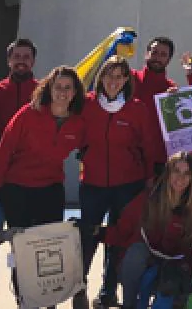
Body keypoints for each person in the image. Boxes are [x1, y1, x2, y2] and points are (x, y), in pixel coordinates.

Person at [0, 66, 87, 300]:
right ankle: (23, 298)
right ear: (49, 89)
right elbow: (5, 148)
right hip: (17, 188)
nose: (62, 92)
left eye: (67, 88)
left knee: (50, 248)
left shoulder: (78, 123)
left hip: (50, 189)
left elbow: (88, 147)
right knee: (22, 248)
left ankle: (48, 300)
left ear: (75, 93)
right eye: (58, 87)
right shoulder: (28, 114)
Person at [77, 55, 159, 309]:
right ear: (101, 77)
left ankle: (108, 291)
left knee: (117, 238)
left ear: (126, 80)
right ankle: (79, 288)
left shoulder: (137, 109)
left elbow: (148, 146)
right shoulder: (86, 105)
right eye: (109, 75)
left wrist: (149, 178)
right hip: (93, 182)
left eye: (119, 76)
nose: (113, 81)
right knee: (87, 238)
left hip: (128, 184)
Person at [0, 38, 40, 308]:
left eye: (26, 56)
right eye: (17, 56)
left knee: (22, 244)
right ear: (8, 60)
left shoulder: (43, 92)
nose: (21, 61)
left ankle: (24, 297)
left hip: (25, 180)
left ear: (33, 61)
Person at [111, 152, 192, 309]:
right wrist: (98, 233)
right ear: (168, 173)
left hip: (177, 267)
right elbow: (123, 230)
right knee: (136, 252)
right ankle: (129, 305)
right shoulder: (148, 199)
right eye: (176, 171)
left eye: (187, 173)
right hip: (149, 262)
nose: (181, 178)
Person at [136, 36, 178, 172]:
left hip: (159, 161)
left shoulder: (171, 89)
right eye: (154, 52)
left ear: (168, 60)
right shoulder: (129, 80)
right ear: (146, 54)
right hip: (131, 158)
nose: (157, 58)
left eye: (163, 54)